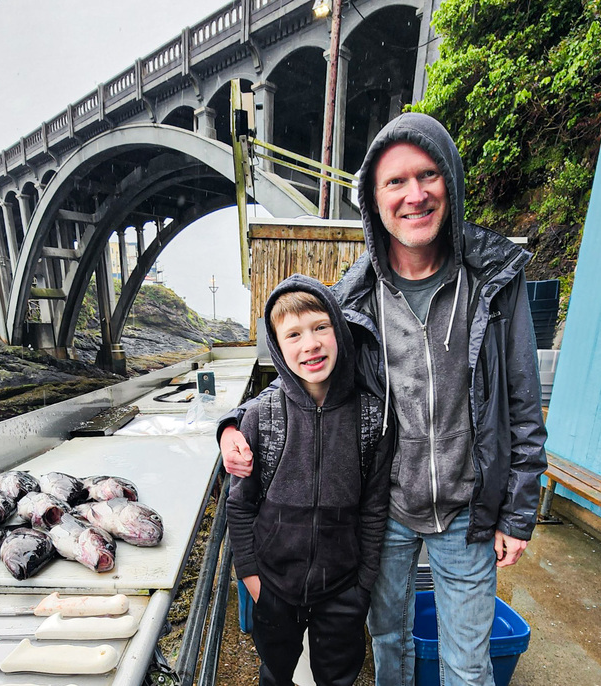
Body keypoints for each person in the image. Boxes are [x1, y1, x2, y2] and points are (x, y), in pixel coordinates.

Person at [220, 112, 548, 686]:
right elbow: (304, 380)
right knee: (388, 643)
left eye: (427, 175)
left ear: (451, 179)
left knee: (468, 667)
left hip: (468, 511)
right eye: (395, 182)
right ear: (374, 198)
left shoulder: (495, 279)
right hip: (385, 509)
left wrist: (518, 512)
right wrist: (230, 423)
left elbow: (523, 401)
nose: (414, 195)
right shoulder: (353, 296)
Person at [226, 274, 393, 686]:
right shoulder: (259, 416)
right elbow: (239, 504)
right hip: (274, 587)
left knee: (338, 677)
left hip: (343, 589)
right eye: (294, 334)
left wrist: (363, 585)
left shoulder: (372, 416)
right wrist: (251, 577)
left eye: (321, 327)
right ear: (279, 349)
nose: (310, 344)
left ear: (339, 330)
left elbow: (374, 507)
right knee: (275, 672)